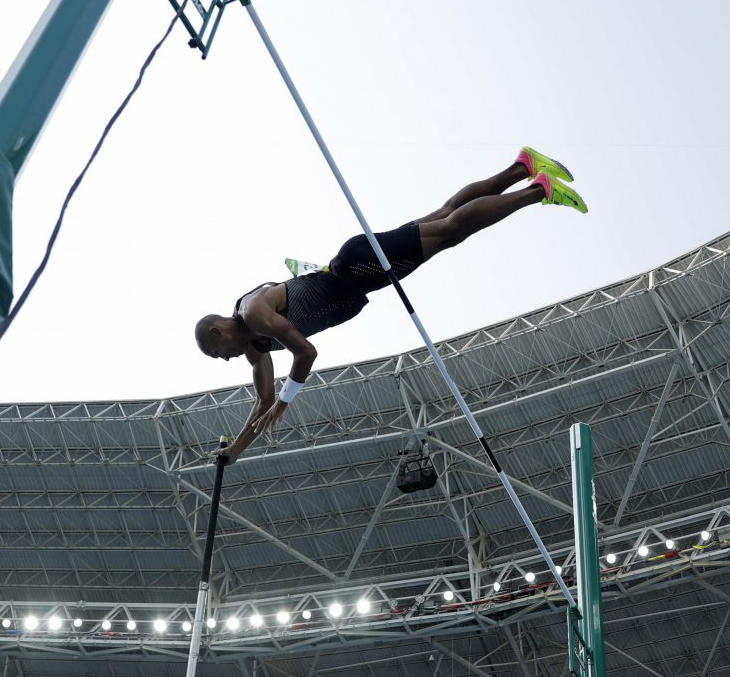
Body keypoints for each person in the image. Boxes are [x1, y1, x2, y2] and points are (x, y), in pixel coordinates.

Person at [193, 147, 586, 464]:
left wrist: (285, 402)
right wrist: (235, 452)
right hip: (360, 271)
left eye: (216, 353)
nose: (224, 360)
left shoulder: (254, 313)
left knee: (451, 231)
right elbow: (262, 404)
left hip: (357, 266)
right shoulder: (254, 348)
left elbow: (306, 352)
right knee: (444, 216)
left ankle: (539, 190)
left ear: (218, 331)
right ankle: (522, 167)